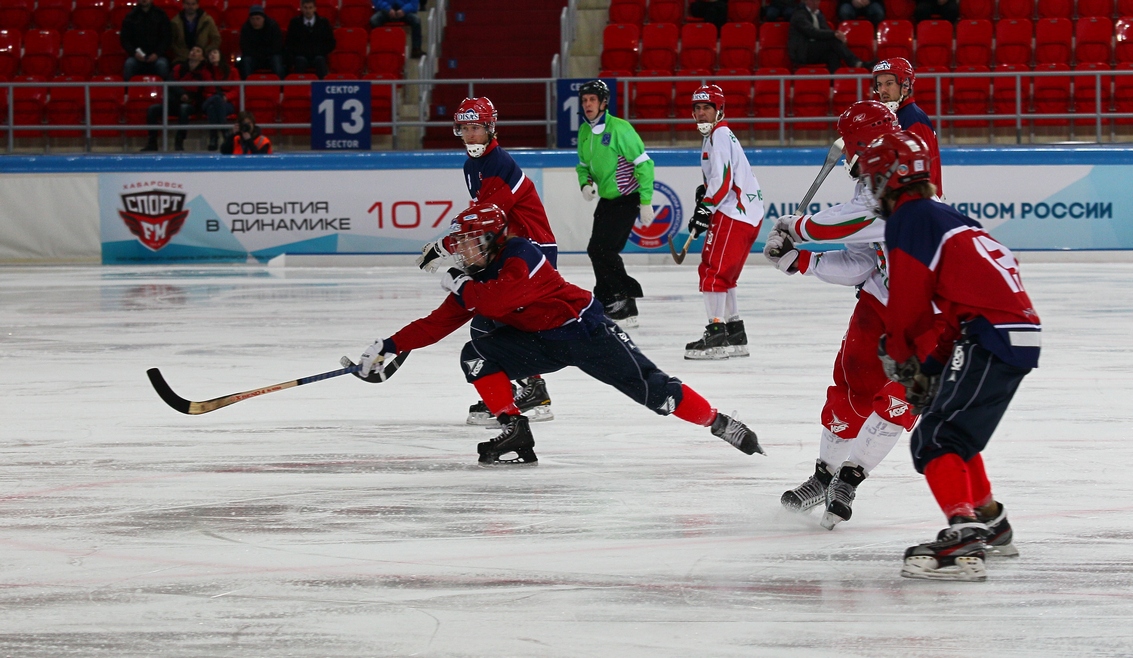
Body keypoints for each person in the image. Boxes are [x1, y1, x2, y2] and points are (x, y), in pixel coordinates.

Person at [355, 202, 765, 465]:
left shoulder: (523, 255)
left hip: (586, 333)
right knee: (475, 353)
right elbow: (438, 322)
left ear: (492, 239)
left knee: (656, 392)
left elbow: (496, 302)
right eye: (459, 245)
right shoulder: (477, 278)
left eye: (469, 243)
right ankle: (514, 429)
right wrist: (387, 346)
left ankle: (719, 422)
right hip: (541, 343)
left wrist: (450, 277)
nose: (463, 252)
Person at [858, 130, 1039, 581]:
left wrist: (900, 353)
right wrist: (934, 364)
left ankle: (964, 534)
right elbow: (952, 307)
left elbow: (908, 301)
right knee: (952, 428)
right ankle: (990, 522)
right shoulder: (946, 215)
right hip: (1008, 331)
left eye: (876, 176)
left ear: (893, 176)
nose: (872, 186)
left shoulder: (910, 217)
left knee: (936, 437)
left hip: (991, 332)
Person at [768, 101, 922, 529]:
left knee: (899, 399)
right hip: (880, 299)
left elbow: (842, 224)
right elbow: (860, 261)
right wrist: (803, 262)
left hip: (928, 314)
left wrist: (797, 231)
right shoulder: (866, 183)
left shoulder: (898, 181)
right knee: (853, 382)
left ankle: (850, 479)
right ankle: (824, 478)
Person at [416, 97, 560, 427]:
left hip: (531, 249)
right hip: (511, 247)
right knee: (488, 322)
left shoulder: (500, 163)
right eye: (465, 128)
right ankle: (517, 387)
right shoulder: (473, 166)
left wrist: (443, 246)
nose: (470, 135)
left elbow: (488, 218)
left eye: (476, 128)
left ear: (490, 128)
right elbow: (484, 224)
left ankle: (533, 389)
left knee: (500, 320)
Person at [684, 84, 765, 361]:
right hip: (745, 212)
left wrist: (705, 208)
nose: (701, 113)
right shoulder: (720, 136)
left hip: (734, 211)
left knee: (712, 272)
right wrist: (705, 194)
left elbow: (724, 180)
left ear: (719, 110)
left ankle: (716, 335)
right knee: (726, 275)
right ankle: (735, 332)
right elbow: (720, 179)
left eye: (707, 107)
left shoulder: (719, 135)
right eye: (697, 108)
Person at [575, 79, 654, 328]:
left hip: (626, 199)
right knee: (595, 249)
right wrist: (585, 184)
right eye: (585, 100)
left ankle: (624, 298)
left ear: (603, 103)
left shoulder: (620, 129)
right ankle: (607, 297)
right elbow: (583, 166)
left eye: (592, 100)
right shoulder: (585, 132)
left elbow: (644, 164)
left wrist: (646, 202)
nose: (588, 104)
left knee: (603, 250)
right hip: (607, 200)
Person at [872, 57, 943, 196]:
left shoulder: (914, 118)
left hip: (917, 202)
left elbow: (926, 171)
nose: (883, 90)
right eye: (879, 85)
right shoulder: (892, 116)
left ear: (905, 85)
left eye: (889, 83)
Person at [142, 45, 213, 152]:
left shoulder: (205, 73)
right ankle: (152, 143)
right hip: (174, 101)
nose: (193, 52)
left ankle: (179, 142)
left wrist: (189, 97)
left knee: (184, 109)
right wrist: (182, 94)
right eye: (192, 50)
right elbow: (169, 82)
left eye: (198, 51)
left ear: (202, 58)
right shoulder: (179, 67)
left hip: (193, 104)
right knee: (152, 109)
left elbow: (206, 90)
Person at [788, 0, 872, 73]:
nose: (818, 3)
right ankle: (856, 63)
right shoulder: (799, 14)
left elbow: (826, 30)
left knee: (833, 54)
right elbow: (812, 32)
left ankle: (835, 82)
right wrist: (834, 34)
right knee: (833, 42)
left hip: (816, 49)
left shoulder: (818, 13)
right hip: (803, 51)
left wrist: (837, 35)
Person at [120, 0, 172, 81]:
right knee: (129, 64)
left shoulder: (161, 15)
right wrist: (134, 53)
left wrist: (157, 54)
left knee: (162, 65)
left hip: (157, 57)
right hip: (136, 57)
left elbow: (167, 38)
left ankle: (166, 92)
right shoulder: (131, 16)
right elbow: (125, 39)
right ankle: (127, 92)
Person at [285, 0, 336, 79]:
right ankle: (298, 88)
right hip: (301, 55)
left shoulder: (324, 23)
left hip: (319, 54)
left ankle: (323, 87)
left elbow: (330, 43)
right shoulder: (295, 23)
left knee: (320, 60)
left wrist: (320, 51)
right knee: (299, 60)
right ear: (301, 8)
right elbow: (290, 42)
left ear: (315, 8)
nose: (308, 10)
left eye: (310, 8)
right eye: (305, 8)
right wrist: (299, 52)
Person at [203, 47, 239, 151]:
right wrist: (215, 98)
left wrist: (226, 97)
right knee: (216, 100)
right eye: (210, 54)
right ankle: (225, 133)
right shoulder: (206, 72)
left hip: (227, 103)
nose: (212, 55)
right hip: (211, 99)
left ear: (220, 55)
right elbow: (205, 91)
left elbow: (236, 90)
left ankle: (213, 138)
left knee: (212, 108)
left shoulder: (233, 71)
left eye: (214, 52)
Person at [239, 5, 286, 80]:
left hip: (270, 56)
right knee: (246, 61)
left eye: (258, 19)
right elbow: (245, 48)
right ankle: (246, 87)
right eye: (253, 19)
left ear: (263, 18)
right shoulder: (246, 28)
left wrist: (263, 53)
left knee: (277, 60)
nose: (255, 22)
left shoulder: (273, 26)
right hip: (254, 57)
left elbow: (277, 46)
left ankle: (281, 87)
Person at [170, 0, 221, 65]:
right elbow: (171, 42)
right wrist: (183, 54)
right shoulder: (175, 22)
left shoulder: (207, 21)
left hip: (203, 57)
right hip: (182, 58)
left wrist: (204, 52)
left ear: (197, 5)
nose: (190, 6)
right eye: (188, 4)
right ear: (183, 4)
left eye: (193, 4)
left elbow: (216, 39)